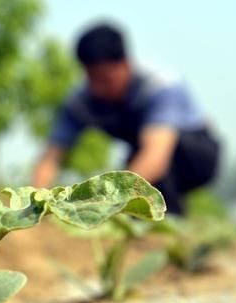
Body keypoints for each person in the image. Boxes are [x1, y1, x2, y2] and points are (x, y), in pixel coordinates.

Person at [33, 22, 220, 215]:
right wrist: (38, 205)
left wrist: (103, 206)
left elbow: (156, 156)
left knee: (147, 174)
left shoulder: (160, 85)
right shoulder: (81, 100)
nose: (98, 88)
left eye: (106, 79)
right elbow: (51, 156)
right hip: (145, 148)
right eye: (92, 79)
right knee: (135, 168)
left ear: (125, 64)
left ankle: (168, 227)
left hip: (195, 152)